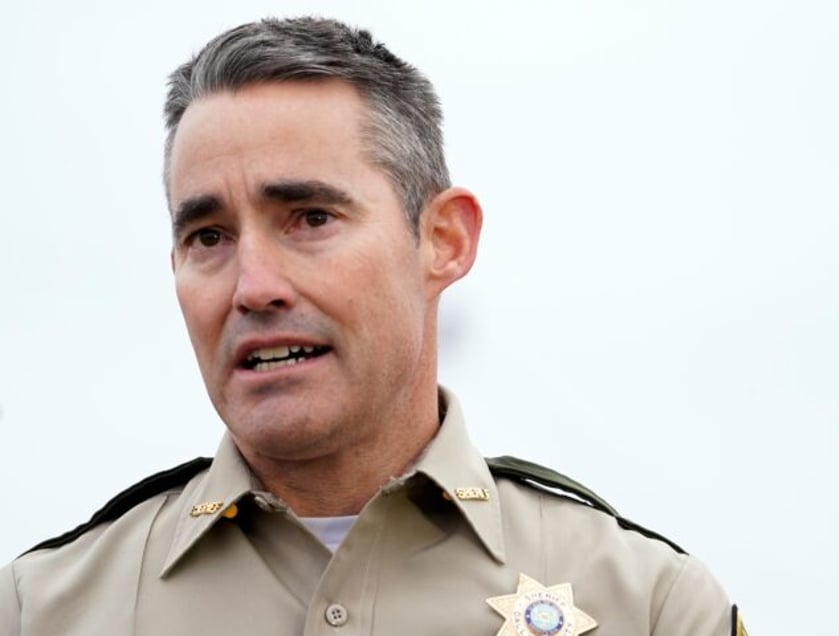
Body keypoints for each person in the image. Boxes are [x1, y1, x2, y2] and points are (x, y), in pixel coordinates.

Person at [0, 16, 746, 636]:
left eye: (311, 218)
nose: (252, 287)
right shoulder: (42, 610)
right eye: (208, 237)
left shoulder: (649, 606)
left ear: (444, 241)